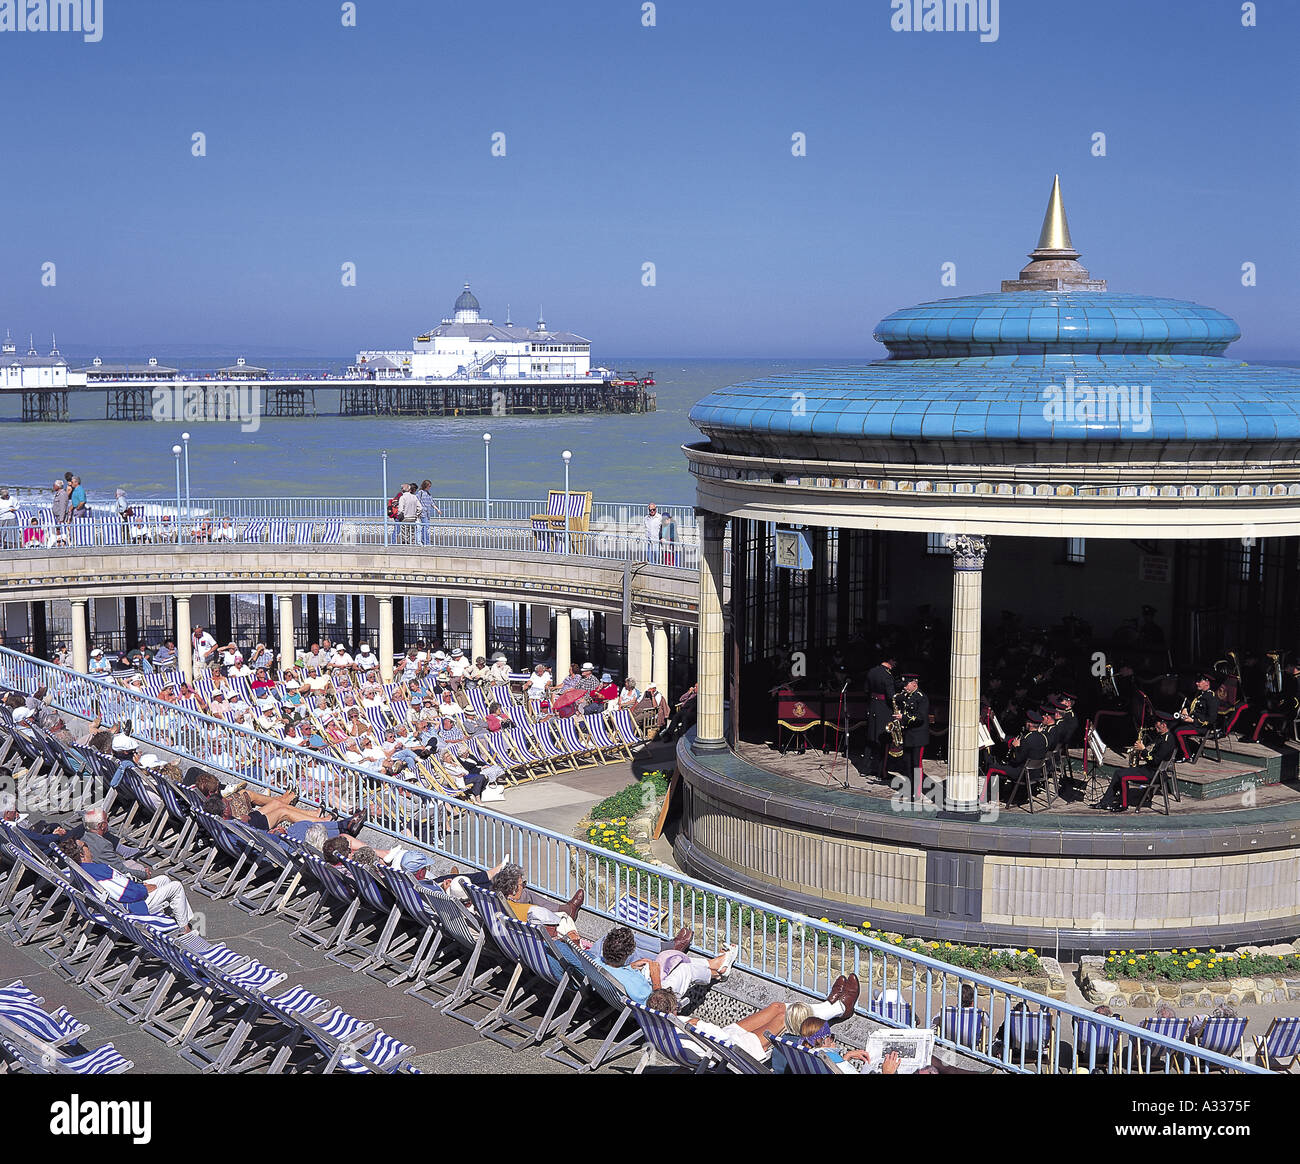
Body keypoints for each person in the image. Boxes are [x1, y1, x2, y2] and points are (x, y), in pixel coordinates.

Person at [646, 975, 859, 1065]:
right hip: (733, 1047)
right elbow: (722, 1041)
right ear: (673, 1010)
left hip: (722, 1039)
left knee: (776, 1007)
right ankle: (838, 1007)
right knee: (784, 1016)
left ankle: (829, 1006)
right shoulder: (687, 1024)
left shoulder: (658, 1026)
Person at [57, 835, 196, 932]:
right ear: (81, 854)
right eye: (86, 845)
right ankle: (185, 930)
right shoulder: (97, 871)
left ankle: (181, 920)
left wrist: (141, 887)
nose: (89, 847)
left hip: (120, 899)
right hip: (132, 907)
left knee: (164, 880)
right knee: (176, 886)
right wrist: (144, 889)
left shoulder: (80, 871)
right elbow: (125, 893)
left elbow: (119, 887)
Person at [1099, 715, 1179, 811]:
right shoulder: (1161, 737)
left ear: (1164, 725)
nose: (1155, 727)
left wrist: (1143, 750)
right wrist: (1142, 755)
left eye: (1157, 726)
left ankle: (1123, 805)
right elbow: (1153, 755)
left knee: (1123, 777)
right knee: (1117, 772)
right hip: (1148, 769)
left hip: (1153, 774)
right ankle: (1105, 802)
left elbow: (1155, 761)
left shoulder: (1168, 741)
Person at [895, 673, 930, 803]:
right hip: (908, 735)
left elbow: (920, 718)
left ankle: (917, 792)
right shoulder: (906, 696)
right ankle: (909, 789)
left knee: (916, 764)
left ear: (914, 683)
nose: (905, 687)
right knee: (907, 764)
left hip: (918, 737)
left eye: (907, 685)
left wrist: (903, 718)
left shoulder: (921, 698)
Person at [864, 655, 898, 779]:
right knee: (884, 740)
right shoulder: (887, 675)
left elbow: (866, 690)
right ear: (890, 661)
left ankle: (866, 767)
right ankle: (882, 771)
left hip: (873, 706)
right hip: (884, 709)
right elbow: (891, 696)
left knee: (870, 738)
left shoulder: (872, 671)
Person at [1173, 673, 1218, 763]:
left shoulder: (1211, 698)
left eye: (1199, 681)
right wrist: (1185, 710)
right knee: (1172, 726)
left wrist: (1193, 720)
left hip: (1201, 726)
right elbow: (1192, 705)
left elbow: (1211, 719)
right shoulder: (1199, 694)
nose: (1197, 683)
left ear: (1207, 682)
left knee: (1179, 732)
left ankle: (1187, 755)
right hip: (1192, 723)